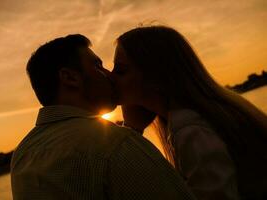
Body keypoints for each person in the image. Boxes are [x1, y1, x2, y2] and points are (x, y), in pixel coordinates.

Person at [10, 34, 196, 200]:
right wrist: (131, 134)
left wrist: (133, 129)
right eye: (97, 66)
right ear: (70, 78)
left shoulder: (23, 155)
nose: (109, 74)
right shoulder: (115, 143)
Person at [111, 26, 267, 200]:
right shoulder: (193, 120)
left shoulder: (190, 130)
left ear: (155, 77)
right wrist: (134, 128)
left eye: (120, 70)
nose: (110, 77)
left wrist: (133, 130)